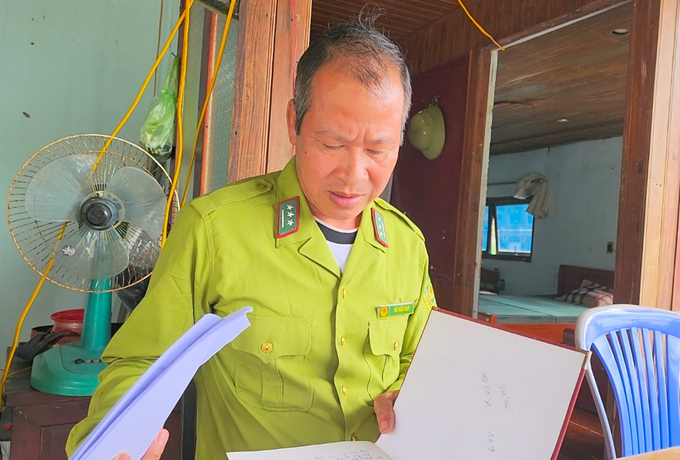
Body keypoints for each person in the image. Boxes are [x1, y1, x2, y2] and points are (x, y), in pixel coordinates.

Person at [66, 14, 436, 460]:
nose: (355, 176)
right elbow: (140, 362)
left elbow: (421, 363)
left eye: (379, 149)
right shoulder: (215, 230)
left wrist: (406, 396)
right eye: (333, 144)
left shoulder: (406, 245)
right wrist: (112, 446)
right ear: (293, 123)